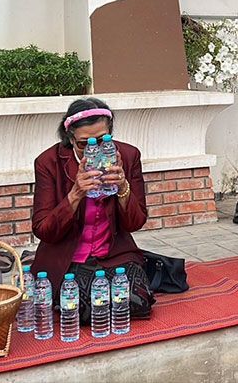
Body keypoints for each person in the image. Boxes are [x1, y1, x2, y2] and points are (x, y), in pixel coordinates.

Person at [32, 97, 154, 323]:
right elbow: (43, 229)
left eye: (101, 140)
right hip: (69, 258)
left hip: (114, 254)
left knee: (138, 302)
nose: (93, 150)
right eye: (83, 144)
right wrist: (76, 193)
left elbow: (135, 223)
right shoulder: (48, 162)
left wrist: (123, 186)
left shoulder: (127, 156)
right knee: (82, 307)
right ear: (70, 139)